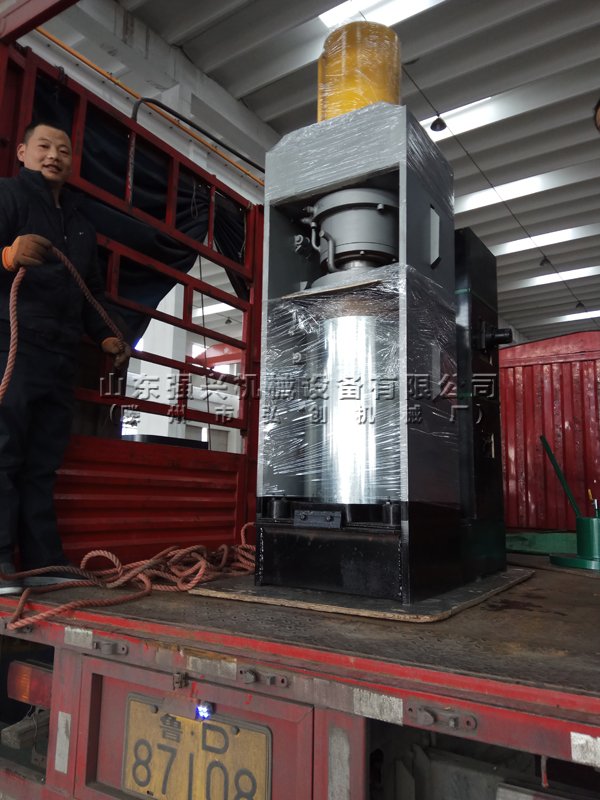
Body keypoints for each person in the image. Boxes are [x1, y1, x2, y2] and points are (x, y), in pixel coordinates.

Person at [0, 121, 131, 594]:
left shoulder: (79, 223)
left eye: (63, 150)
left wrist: (107, 335)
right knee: (2, 451)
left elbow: (89, 291)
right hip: (11, 343)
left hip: (59, 354)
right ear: (22, 151)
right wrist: (6, 255)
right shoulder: (7, 196)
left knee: (42, 462)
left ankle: (43, 561)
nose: (53, 155)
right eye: (43, 146)